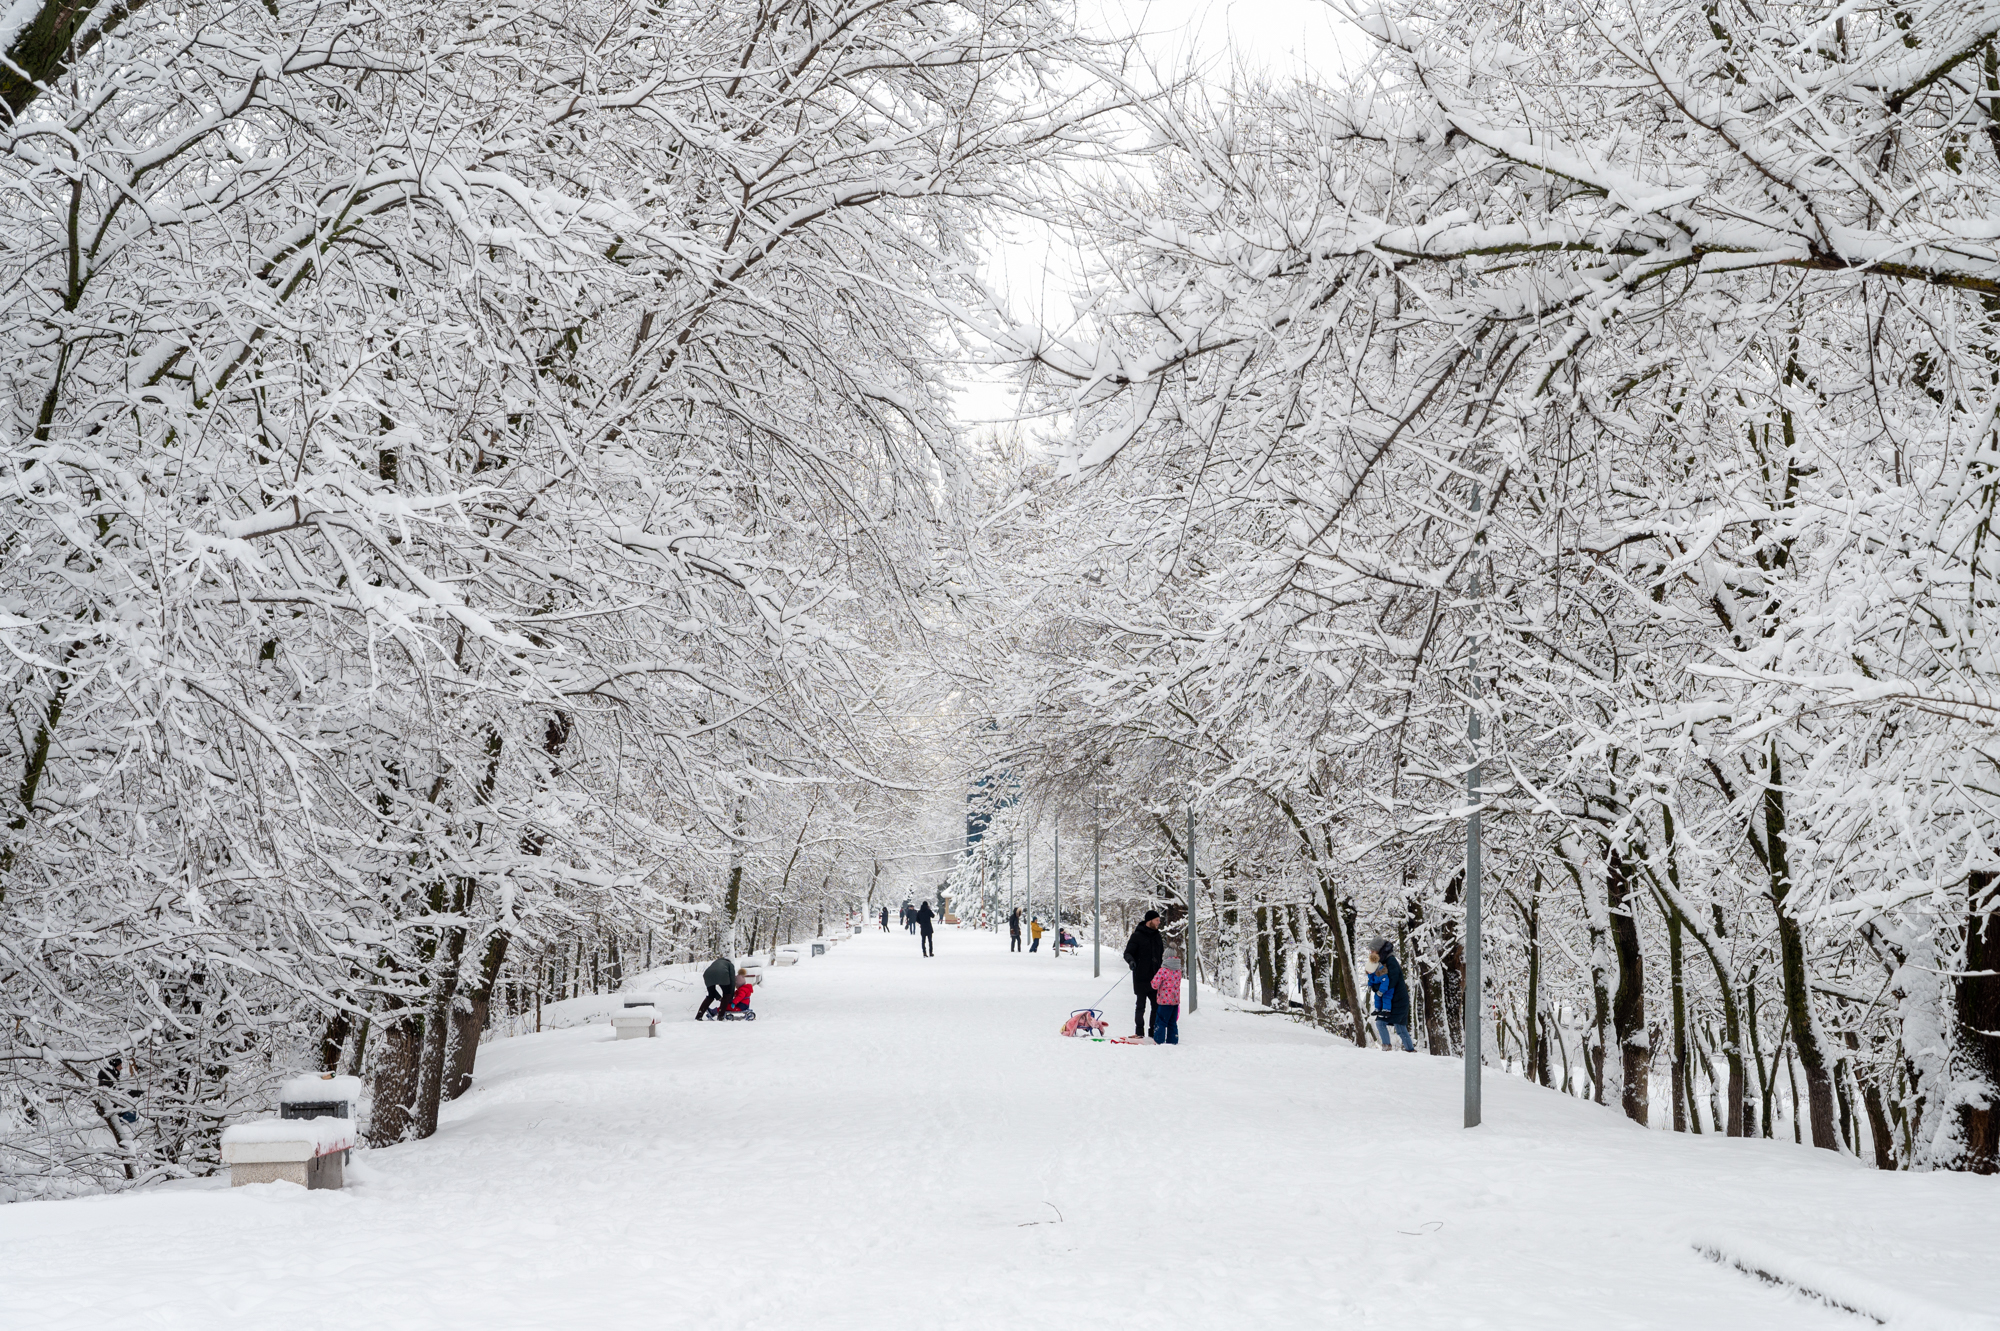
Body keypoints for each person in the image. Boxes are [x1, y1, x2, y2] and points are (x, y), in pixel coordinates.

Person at [1122, 910, 1165, 1037]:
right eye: (1157, 920)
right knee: (1140, 1006)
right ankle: (1139, 1032)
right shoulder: (1137, 936)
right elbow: (1128, 953)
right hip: (1140, 977)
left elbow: (1161, 955)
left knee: (1156, 1007)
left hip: (1155, 978)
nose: (1159, 922)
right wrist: (1131, 962)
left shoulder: (1158, 936)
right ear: (1149, 921)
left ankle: (1153, 1032)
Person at [1366, 936, 1414, 1051]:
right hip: (1393, 1000)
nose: (1371, 953)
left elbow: (1390, 982)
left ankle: (1387, 1049)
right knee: (1400, 1028)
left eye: (1373, 950)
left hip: (1398, 1001)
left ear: (1378, 950)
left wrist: (1376, 987)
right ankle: (1411, 1051)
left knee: (1381, 1023)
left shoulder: (1390, 961)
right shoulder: (1381, 961)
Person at [1150, 950, 1183, 1044]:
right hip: (1175, 1001)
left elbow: (1154, 984)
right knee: (1172, 1022)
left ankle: (1158, 1040)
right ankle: (1173, 1040)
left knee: (1161, 1021)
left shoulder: (1163, 970)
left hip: (1164, 1001)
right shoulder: (1178, 970)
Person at [697, 955, 736, 1020]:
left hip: (707, 974)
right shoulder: (730, 964)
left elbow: (714, 989)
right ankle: (720, 1016)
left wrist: (719, 997)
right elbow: (732, 980)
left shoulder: (716, 962)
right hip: (722, 974)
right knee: (726, 994)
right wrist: (730, 996)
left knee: (711, 995)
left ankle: (699, 1016)